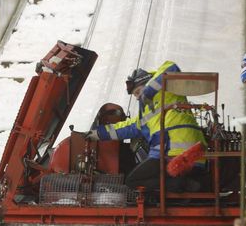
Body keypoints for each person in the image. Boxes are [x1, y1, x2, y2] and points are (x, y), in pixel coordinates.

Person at [88, 61, 207, 192]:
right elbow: (128, 127)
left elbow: (172, 67)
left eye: (138, 91)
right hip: (188, 155)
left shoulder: (167, 88)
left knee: (133, 181)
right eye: (135, 95)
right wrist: (97, 133)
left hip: (173, 154)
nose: (138, 97)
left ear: (148, 82)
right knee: (140, 180)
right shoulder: (146, 111)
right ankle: (185, 185)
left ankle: (184, 185)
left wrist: (149, 91)